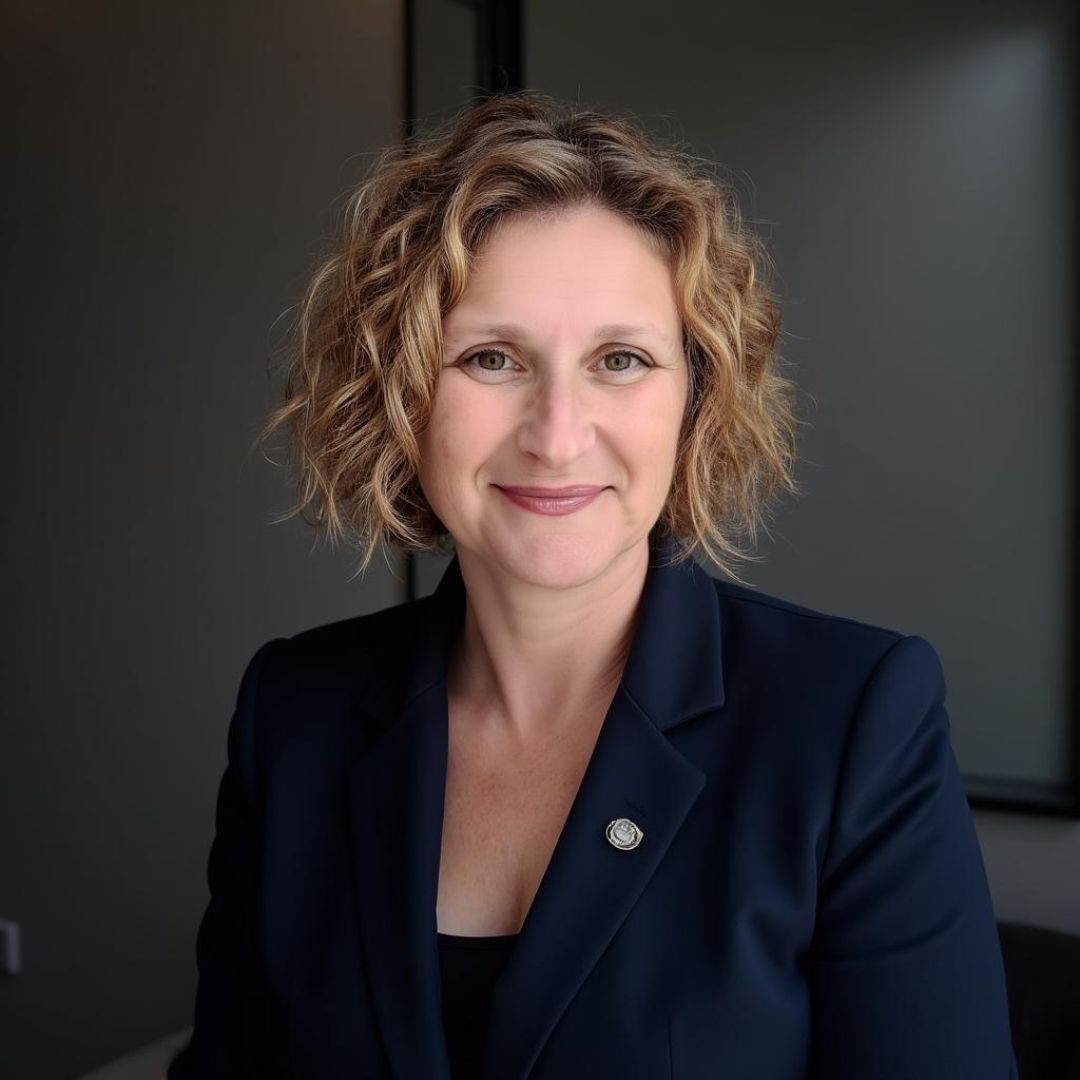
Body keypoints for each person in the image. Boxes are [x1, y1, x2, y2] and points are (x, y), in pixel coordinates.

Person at [168, 91, 1018, 1079]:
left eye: (621, 360)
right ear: (400, 395)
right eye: (492, 358)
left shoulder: (856, 720)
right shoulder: (293, 714)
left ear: (694, 399)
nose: (558, 433)